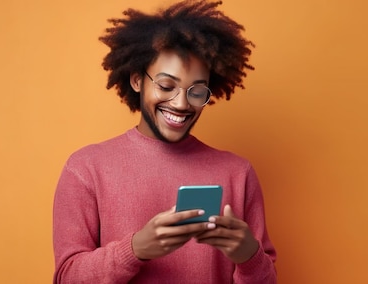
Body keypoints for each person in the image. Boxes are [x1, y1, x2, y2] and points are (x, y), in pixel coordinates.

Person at [52, 1, 277, 283]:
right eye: (166, 86)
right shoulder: (86, 168)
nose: (182, 103)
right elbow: (67, 278)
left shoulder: (238, 172)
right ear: (137, 80)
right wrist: (135, 249)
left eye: (197, 91)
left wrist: (249, 256)